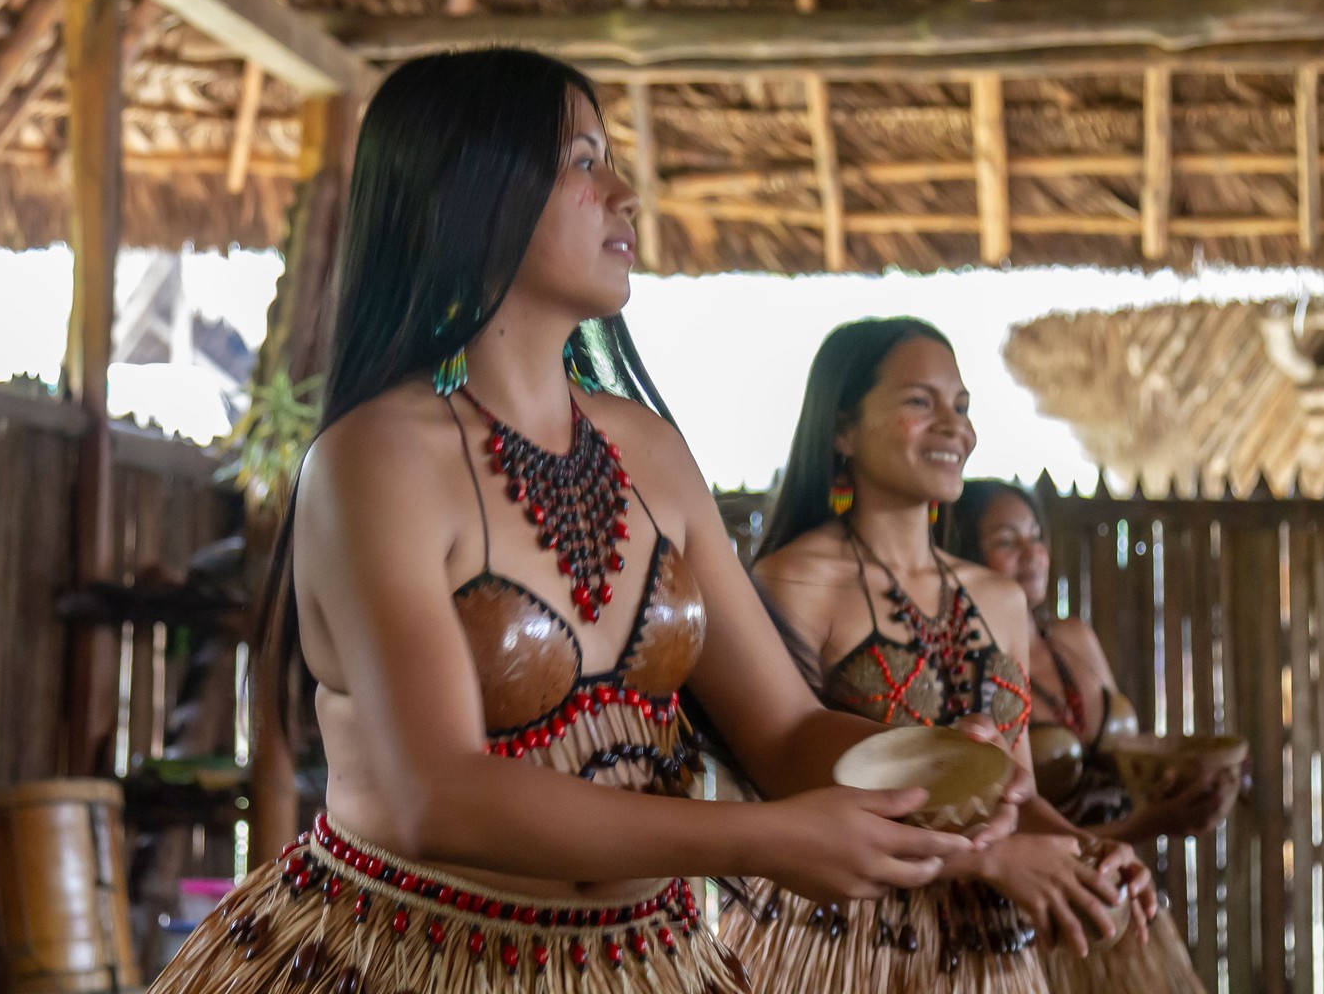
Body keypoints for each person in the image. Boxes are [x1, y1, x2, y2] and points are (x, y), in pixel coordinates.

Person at [150, 50, 985, 994]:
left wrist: (935, 781)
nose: (626, 194)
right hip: (405, 962)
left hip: (638, 964)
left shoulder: (651, 454)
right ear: (472, 196)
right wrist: (758, 840)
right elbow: (440, 796)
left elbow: (786, 733)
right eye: (584, 163)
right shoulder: (374, 461)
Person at [717, 318, 1155, 993]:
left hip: (988, 953)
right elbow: (780, 792)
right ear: (842, 430)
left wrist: (1087, 847)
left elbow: (1017, 788)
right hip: (839, 948)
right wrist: (993, 858)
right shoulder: (792, 583)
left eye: (962, 406)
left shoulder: (1000, 598)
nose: (954, 427)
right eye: (920, 402)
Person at [945, 479, 1227, 994]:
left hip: (1119, 895)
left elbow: (1132, 766)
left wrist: (1197, 785)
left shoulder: (1075, 637)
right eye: (1007, 541)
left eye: (1036, 536)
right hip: (1044, 920)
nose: (1032, 555)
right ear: (964, 553)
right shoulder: (968, 668)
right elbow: (1003, 825)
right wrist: (1144, 826)